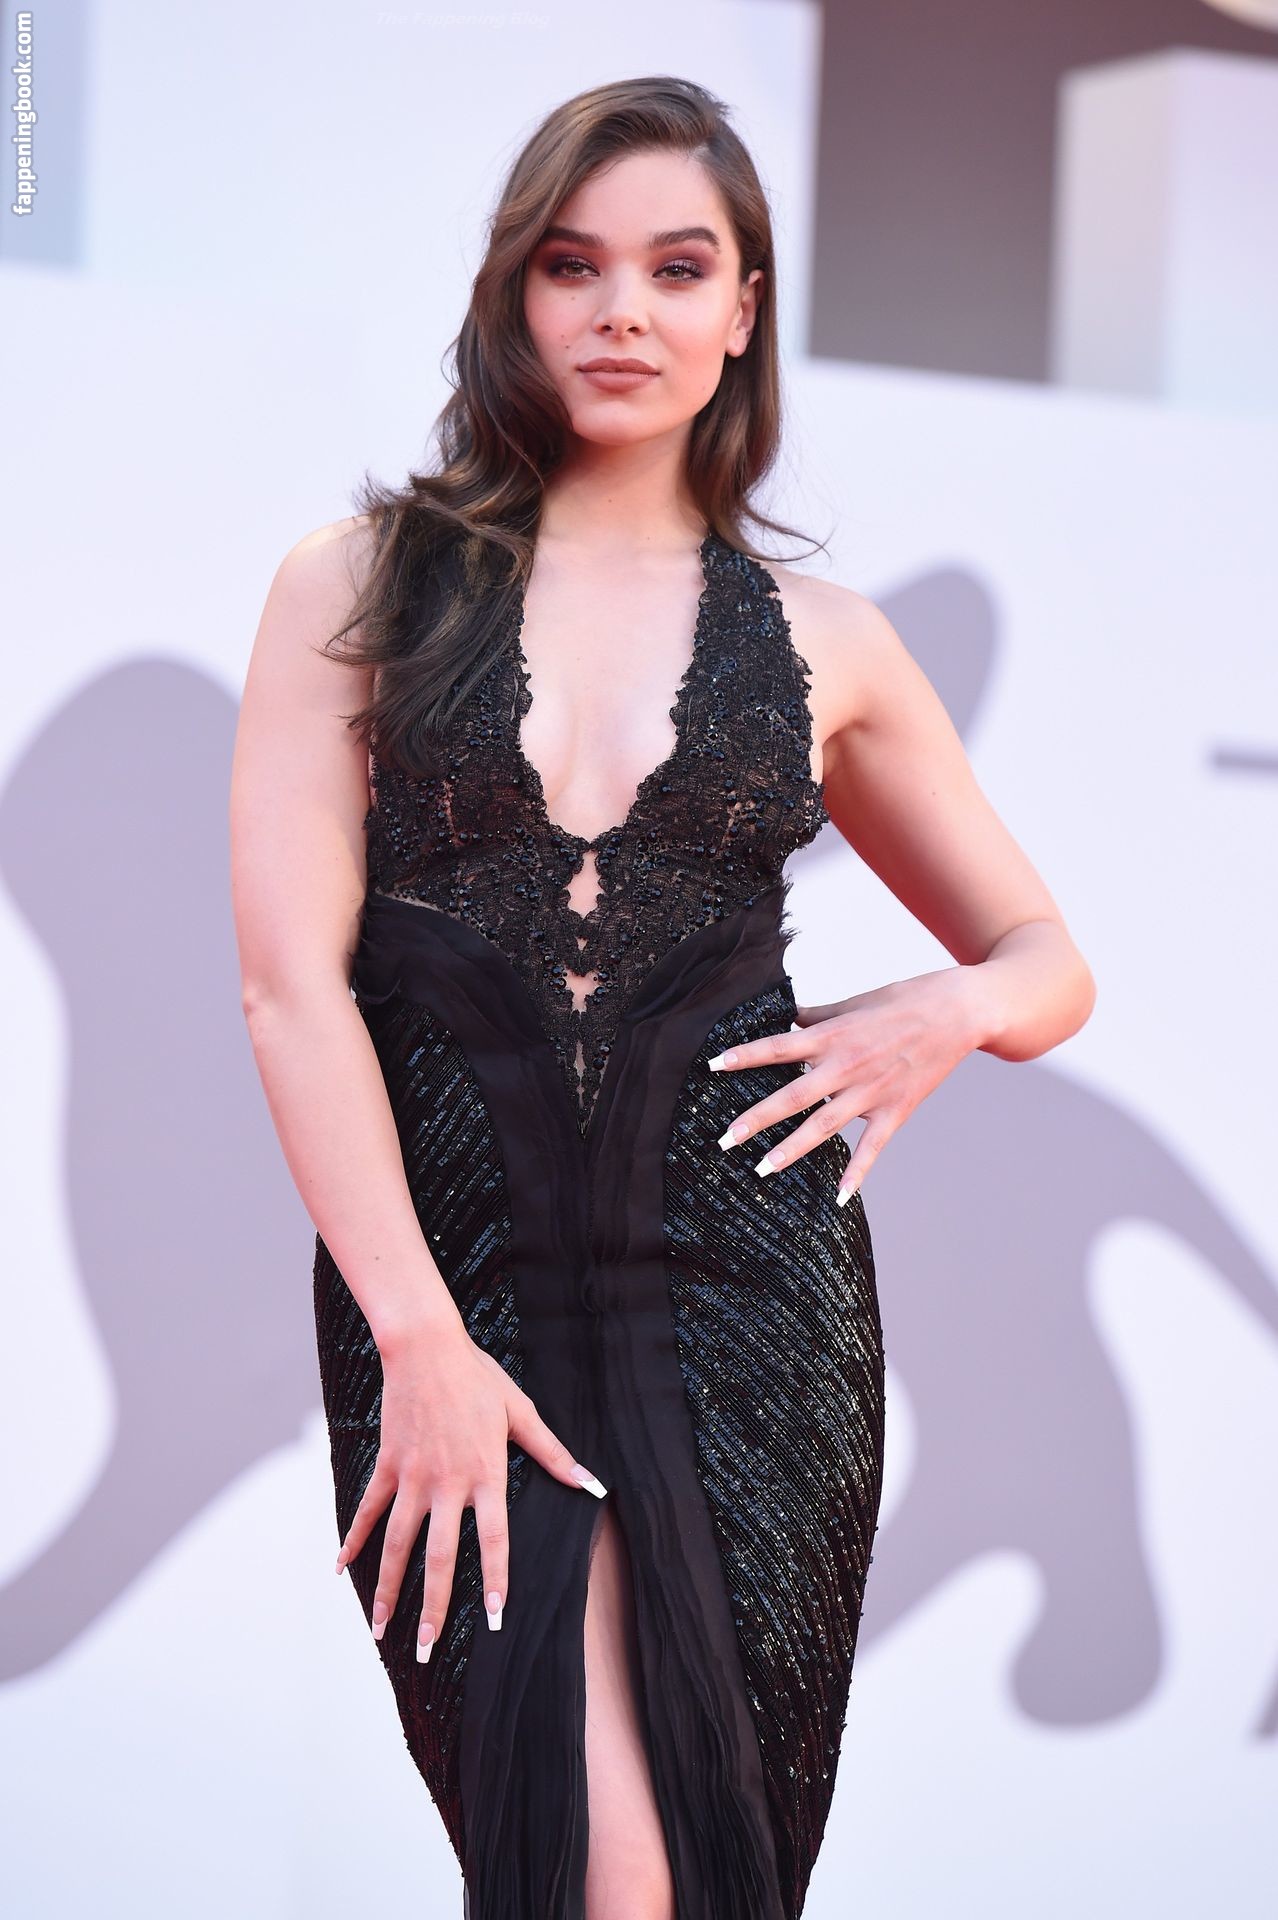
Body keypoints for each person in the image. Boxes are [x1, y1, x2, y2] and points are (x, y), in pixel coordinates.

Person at [230, 74, 1095, 1920]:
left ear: (741, 309)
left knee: (702, 1860)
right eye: (573, 265)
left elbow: (1047, 964)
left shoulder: (832, 643)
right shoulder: (352, 586)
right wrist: (415, 1338)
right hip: (449, 1295)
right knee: (568, 1851)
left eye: (676, 268)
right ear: (514, 295)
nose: (622, 310)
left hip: (751, 1293)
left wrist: (938, 1013)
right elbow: (290, 990)